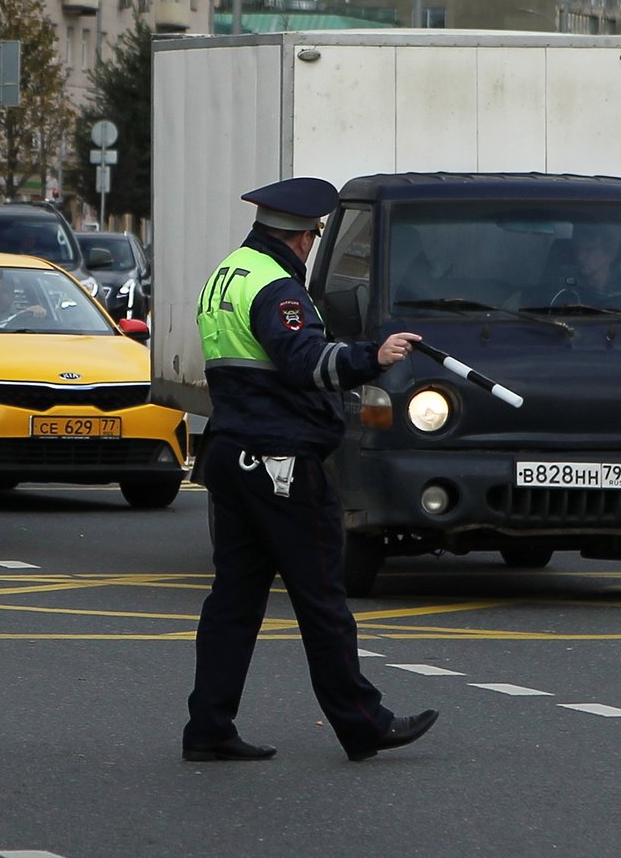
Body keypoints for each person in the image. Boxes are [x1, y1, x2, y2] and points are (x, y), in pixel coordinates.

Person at [184, 177, 440, 764]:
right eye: (314, 236)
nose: (311, 245)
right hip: (279, 460)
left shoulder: (230, 272)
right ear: (303, 235)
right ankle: (362, 723)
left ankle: (208, 726)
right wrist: (370, 356)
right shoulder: (278, 288)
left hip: (232, 451)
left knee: (234, 601)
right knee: (322, 597)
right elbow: (305, 363)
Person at [549, 223, 621, 306]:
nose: (580, 257)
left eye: (589, 250)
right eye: (578, 249)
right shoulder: (564, 287)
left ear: (609, 254)